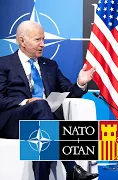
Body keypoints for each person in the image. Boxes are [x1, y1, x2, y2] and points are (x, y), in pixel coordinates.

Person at [0, 21, 98, 180]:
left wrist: (80, 83)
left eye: (43, 39)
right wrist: (26, 102)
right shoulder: (3, 64)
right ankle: (71, 167)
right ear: (22, 41)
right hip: (12, 121)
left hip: (43, 121)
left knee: (43, 132)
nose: (43, 44)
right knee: (40, 105)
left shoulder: (50, 65)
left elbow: (69, 93)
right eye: (37, 40)